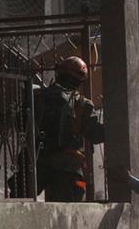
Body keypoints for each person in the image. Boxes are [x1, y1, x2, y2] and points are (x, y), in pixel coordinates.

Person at [34, 56, 104, 202]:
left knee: (20, 205)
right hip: (69, 167)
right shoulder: (82, 104)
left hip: (37, 162)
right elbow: (96, 135)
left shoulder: (38, 96)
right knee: (71, 205)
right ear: (81, 79)